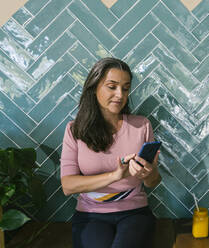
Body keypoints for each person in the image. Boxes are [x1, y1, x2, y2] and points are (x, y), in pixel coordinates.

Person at [60, 57, 161, 248]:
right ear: (94, 87)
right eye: (112, 86)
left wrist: (149, 173)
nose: (119, 94)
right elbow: (68, 186)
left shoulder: (142, 125)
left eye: (125, 88)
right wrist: (115, 175)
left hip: (135, 212)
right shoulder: (74, 130)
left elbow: (153, 182)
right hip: (90, 215)